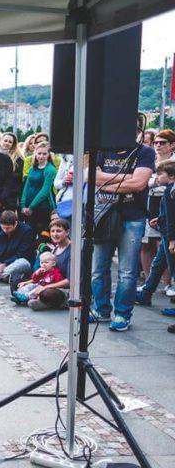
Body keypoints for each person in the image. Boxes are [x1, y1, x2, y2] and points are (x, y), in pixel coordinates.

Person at [90, 116, 156, 331]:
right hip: (103, 214)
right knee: (98, 268)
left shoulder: (145, 152)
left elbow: (138, 184)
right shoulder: (102, 150)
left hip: (132, 217)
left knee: (127, 271)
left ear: (138, 130)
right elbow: (90, 177)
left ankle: (122, 313)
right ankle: (101, 309)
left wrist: (106, 182)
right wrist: (124, 178)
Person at [136, 159, 175, 306]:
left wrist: (172, 239)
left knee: (172, 270)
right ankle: (146, 294)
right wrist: (160, 219)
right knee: (158, 265)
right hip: (166, 234)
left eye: (160, 174)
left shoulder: (170, 192)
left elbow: (172, 218)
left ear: (171, 176)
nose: (156, 178)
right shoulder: (169, 190)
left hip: (169, 236)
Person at [26, 218, 72, 311]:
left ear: (67, 232)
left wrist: (45, 287)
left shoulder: (72, 250)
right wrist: (27, 282)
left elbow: (70, 281)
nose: (55, 234)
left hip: (66, 289)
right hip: (50, 282)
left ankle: (51, 302)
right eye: (52, 231)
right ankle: (43, 301)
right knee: (17, 283)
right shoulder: (55, 249)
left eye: (59, 231)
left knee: (47, 293)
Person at [0, 210, 34, 283]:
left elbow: (21, 254)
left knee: (22, 263)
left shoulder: (26, 231)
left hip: (14, 263)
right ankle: (1, 275)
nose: (5, 230)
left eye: (8, 228)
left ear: (15, 224)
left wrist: (4, 265)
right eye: (3, 227)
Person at [20, 142, 57, 237]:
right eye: (39, 153)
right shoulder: (33, 168)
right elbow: (26, 187)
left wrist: (31, 207)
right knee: (28, 233)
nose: (41, 156)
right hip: (28, 206)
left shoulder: (50, 169)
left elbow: (45, 191)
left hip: (43, 206)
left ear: (48, 155)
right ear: (35, 154)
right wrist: (23, 205)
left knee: (43, 234)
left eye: (44, 154)